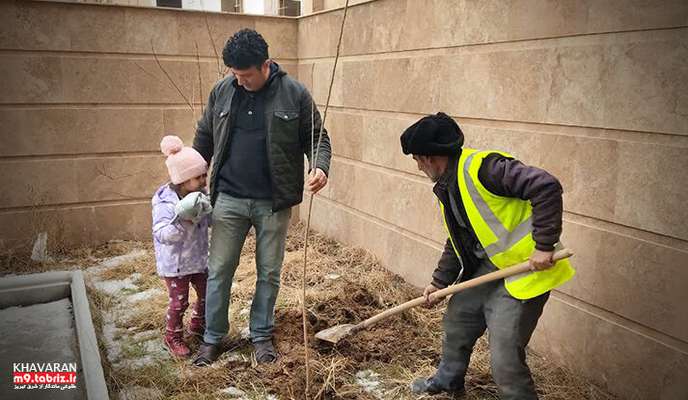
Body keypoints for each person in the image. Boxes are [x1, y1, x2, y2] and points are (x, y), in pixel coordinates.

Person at [400, 112, 575, 399]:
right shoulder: (449, 185)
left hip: (525, 271)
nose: (419, 167)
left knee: (505, 356)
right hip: (489, 267)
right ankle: (448, 382)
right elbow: (458, 240)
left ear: (429, 157)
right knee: (458, 320)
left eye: (418, 160)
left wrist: (544, 245)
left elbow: (546, 186)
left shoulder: (484, 169)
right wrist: (439, 283)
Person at [192, 28, 331, 366]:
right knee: (221, 269)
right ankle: (213, 337)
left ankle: (261, 335)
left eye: (246, 75)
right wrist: (192, 178)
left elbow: (318, 138)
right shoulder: (223, 91)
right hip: (228, 198)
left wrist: (320, 167)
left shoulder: (294, 93)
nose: (239, 81)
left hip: (273, 201)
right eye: (235, 75)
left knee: (269, 272)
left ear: (265, 64)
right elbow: (204, 135)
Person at [152, 135, 212, 358]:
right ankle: (172, 336)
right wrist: (182, 222)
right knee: (179, 302)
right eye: (198, 177)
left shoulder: (200, 196)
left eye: (205, 174)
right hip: (175, 264)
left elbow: (209, 218)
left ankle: (198, 324)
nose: (204, 180)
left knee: (207, 294)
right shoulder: (165, 201)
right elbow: (160, 233)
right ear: (183, 179)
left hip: (198, 259)